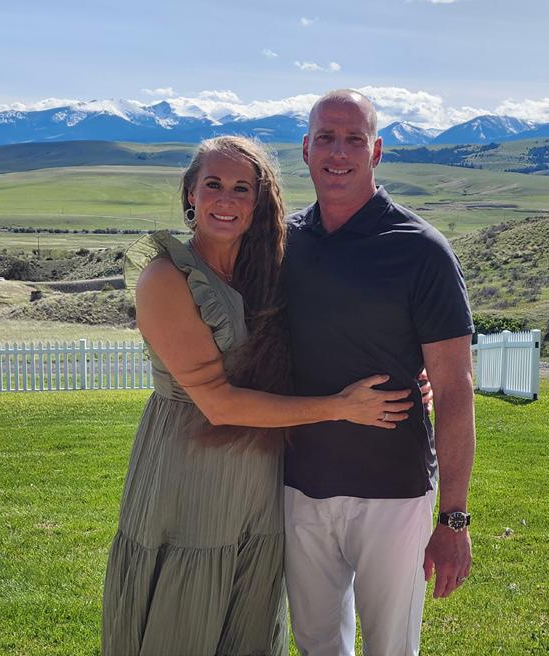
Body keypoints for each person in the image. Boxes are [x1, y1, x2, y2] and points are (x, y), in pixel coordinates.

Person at [101, 135, 422, 656]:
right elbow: (218, 403)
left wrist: (408, 374)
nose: (225, 200)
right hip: (189, 471)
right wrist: (342, 407)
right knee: (185, 618)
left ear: (259, 201)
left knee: (247, 622)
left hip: (261, 477)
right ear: (190, 194)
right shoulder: (167, 277)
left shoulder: (270, 272)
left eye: (241, 188)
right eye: (213, 185)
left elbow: (325, 338)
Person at [282, 90, 476, 656]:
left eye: (354, 139)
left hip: (394, 491)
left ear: (377, 150)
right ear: (306, 148)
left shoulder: (422, 250)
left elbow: (454, 389)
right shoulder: (283, 242)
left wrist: (454, 519)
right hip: (299, 484)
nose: (338, 153)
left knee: (392, 647)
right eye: (326, 137)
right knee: (316, 643)